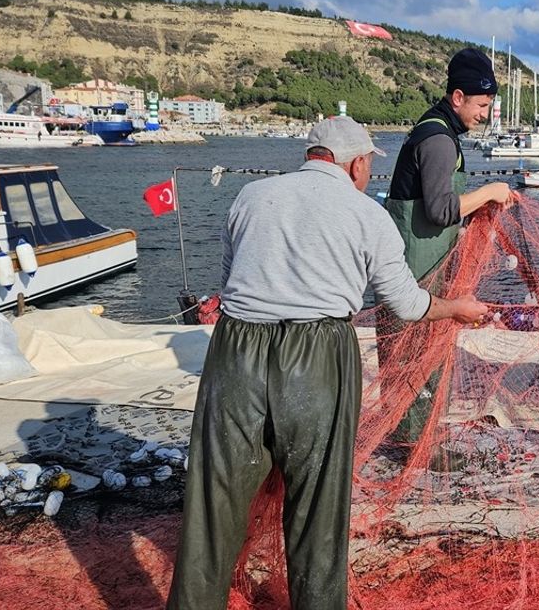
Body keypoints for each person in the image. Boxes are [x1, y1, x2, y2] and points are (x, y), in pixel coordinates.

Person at [167, 117, 488, 610]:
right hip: (316, 355)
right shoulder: (368, 215)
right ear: (357, 164)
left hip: (236, 350)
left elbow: (231, 282)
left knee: (214, 502)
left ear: (312, 155)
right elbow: (406, 304)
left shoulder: (250, 197)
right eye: (368, 164)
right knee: (317, 503)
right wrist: (456, 308)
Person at [381, 47, 513, 450]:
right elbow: (440, 211)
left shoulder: (435, 129)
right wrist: (489, 192)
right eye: (481, 105)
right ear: (458, 97)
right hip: (416, 269)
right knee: (415, 356)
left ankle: (413, 437)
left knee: (417, 355)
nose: (485, 114)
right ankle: (414, 446)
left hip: (418, 263)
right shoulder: (439, 140)